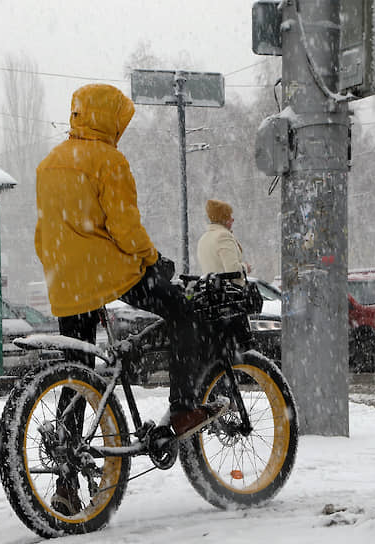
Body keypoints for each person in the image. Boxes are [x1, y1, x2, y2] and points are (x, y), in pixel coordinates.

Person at [35, 84, 228, 514]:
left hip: (64, 279)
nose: (121, 130)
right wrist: (154, 260)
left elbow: (43, 230)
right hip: (108, 270)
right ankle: (181, 409)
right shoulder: (109, 160)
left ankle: (66, 483)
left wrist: (63, 269)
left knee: (77, 376)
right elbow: (124, 228)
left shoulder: (49, 164)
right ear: (107, 118)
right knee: (182, 313)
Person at [196, 199, 247, 285]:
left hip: (212, 291)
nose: (233, 219)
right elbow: (233, 270)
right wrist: (245, 267)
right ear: (224, 219)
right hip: (229, 293)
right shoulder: (223, 236)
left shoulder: (204, 238)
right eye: (229, 216)